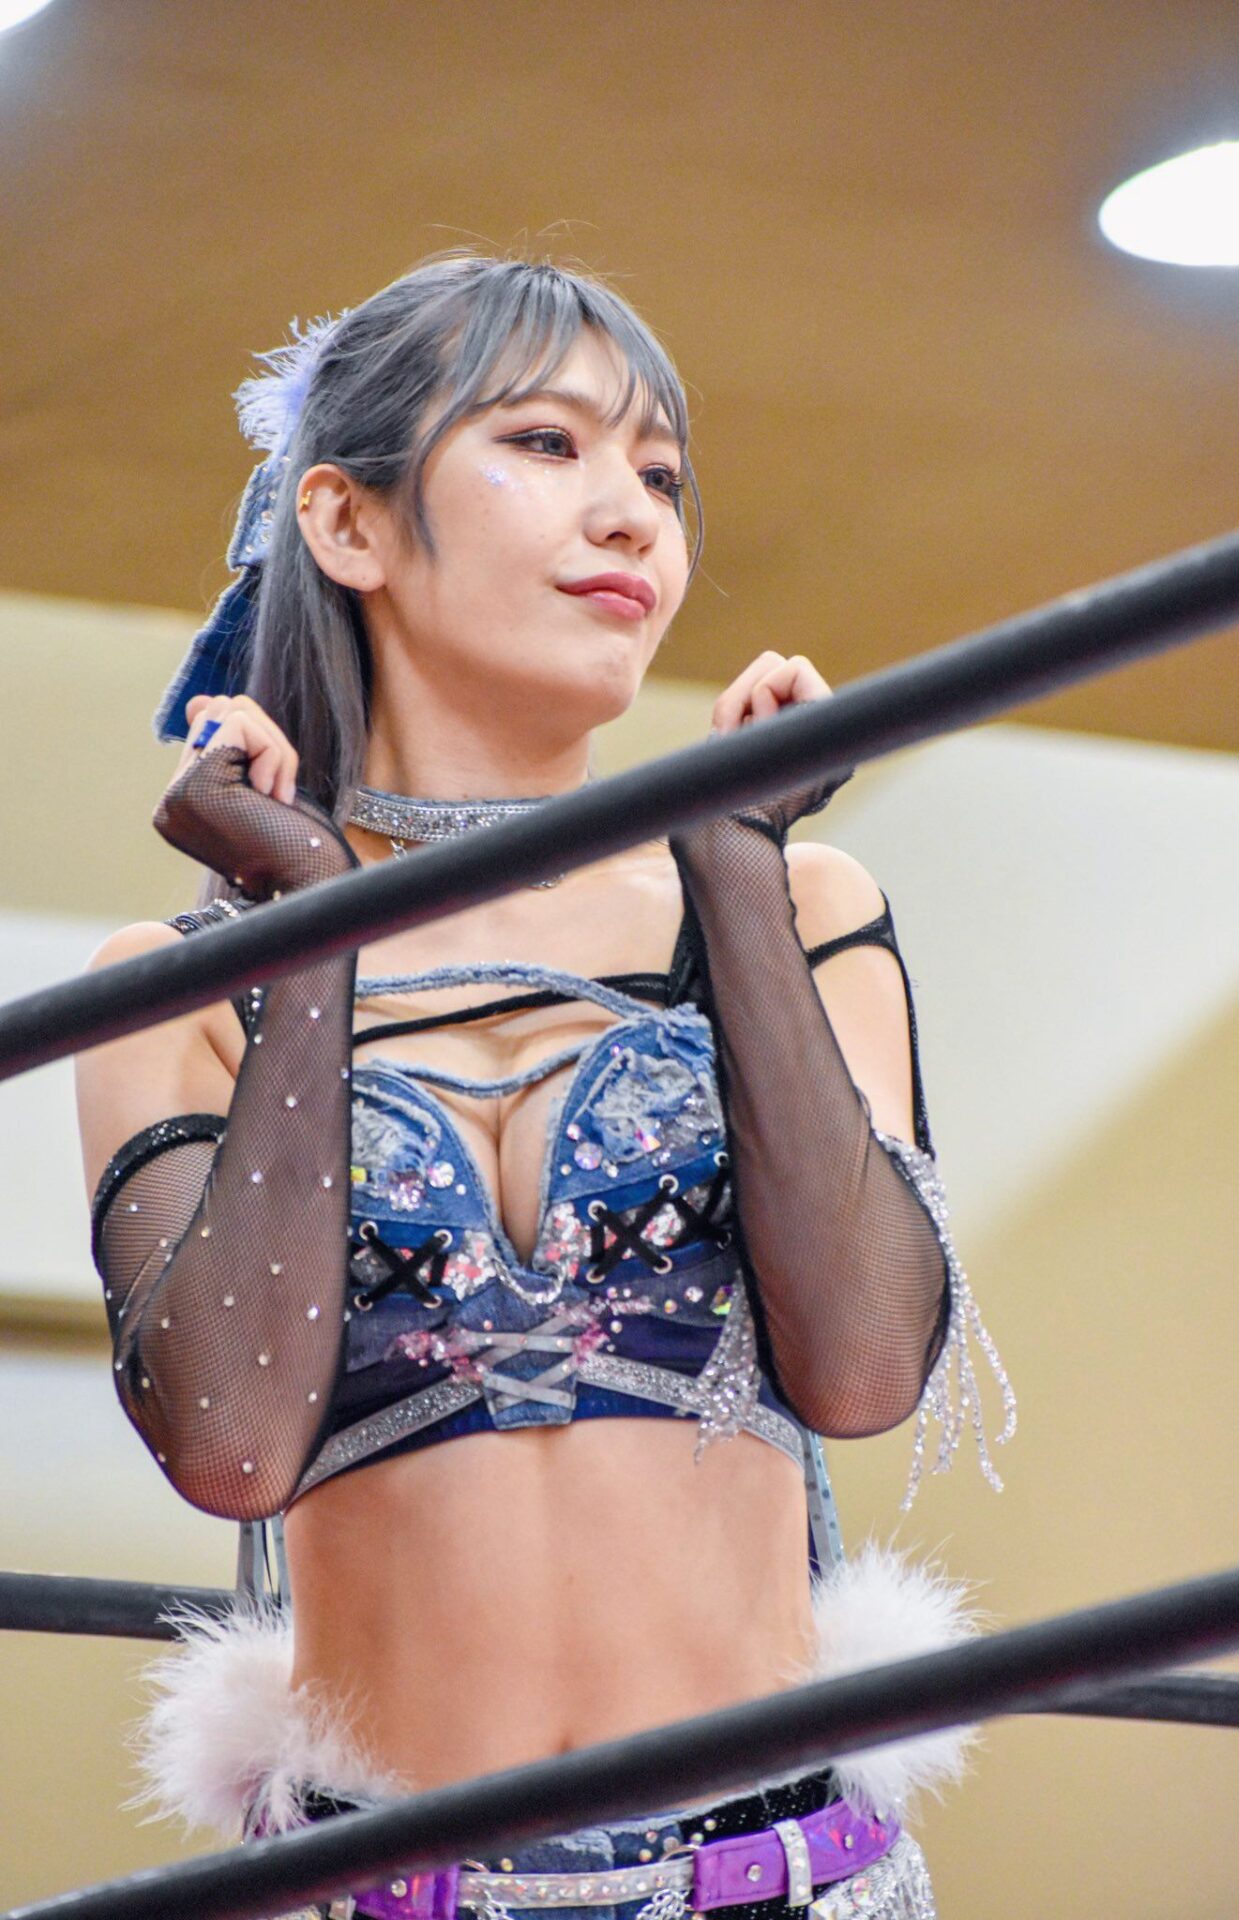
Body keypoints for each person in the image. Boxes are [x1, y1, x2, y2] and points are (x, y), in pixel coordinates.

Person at [76, 254, 1013, 1920]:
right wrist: (308, 924)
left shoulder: (801, 898)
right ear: (345, 523)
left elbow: (865, 1366)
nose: (631, 514)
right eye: (543, 443)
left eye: (661, 473)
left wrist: (732, 869)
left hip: (794, 1885)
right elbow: (229, 1444)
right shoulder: (175, 979)